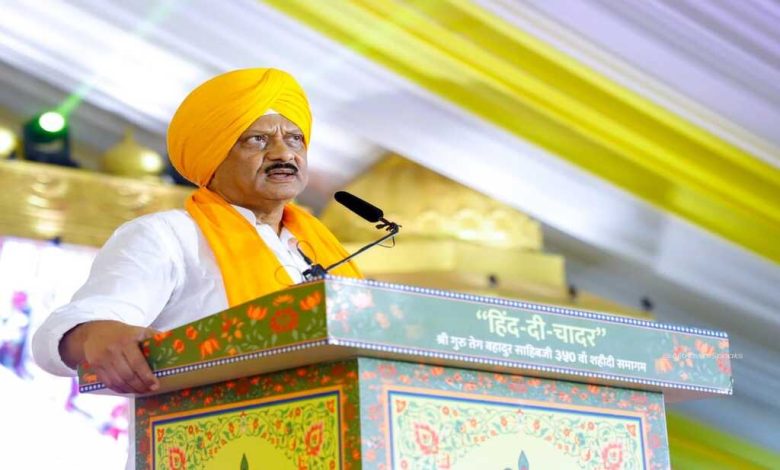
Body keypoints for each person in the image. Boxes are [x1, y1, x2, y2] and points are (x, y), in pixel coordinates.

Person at [32, 68, 362, 467]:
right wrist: (94, 335)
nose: (284, 154)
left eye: (295, 139)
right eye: (257, 140)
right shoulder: (168, 236)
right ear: (213, 155)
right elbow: (63, 333)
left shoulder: (320, 249)